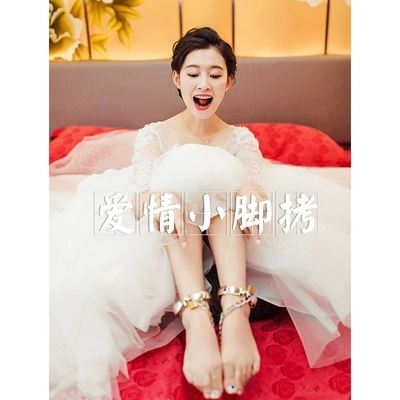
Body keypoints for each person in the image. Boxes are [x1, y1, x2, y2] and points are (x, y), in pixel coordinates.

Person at [49, 27, 350, 400]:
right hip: (169, 237)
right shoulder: (155, 135)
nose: (203, 84)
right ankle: (198, 318)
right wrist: (165, 195)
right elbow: (141, 194)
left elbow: (254, 185)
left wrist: (246, 190)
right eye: (193, 73)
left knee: (227, 182)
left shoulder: (240, 139)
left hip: (232, 242)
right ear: (177, 78)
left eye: (215, 74)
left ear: (229, 81)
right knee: (179, 181)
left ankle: (235, 313)